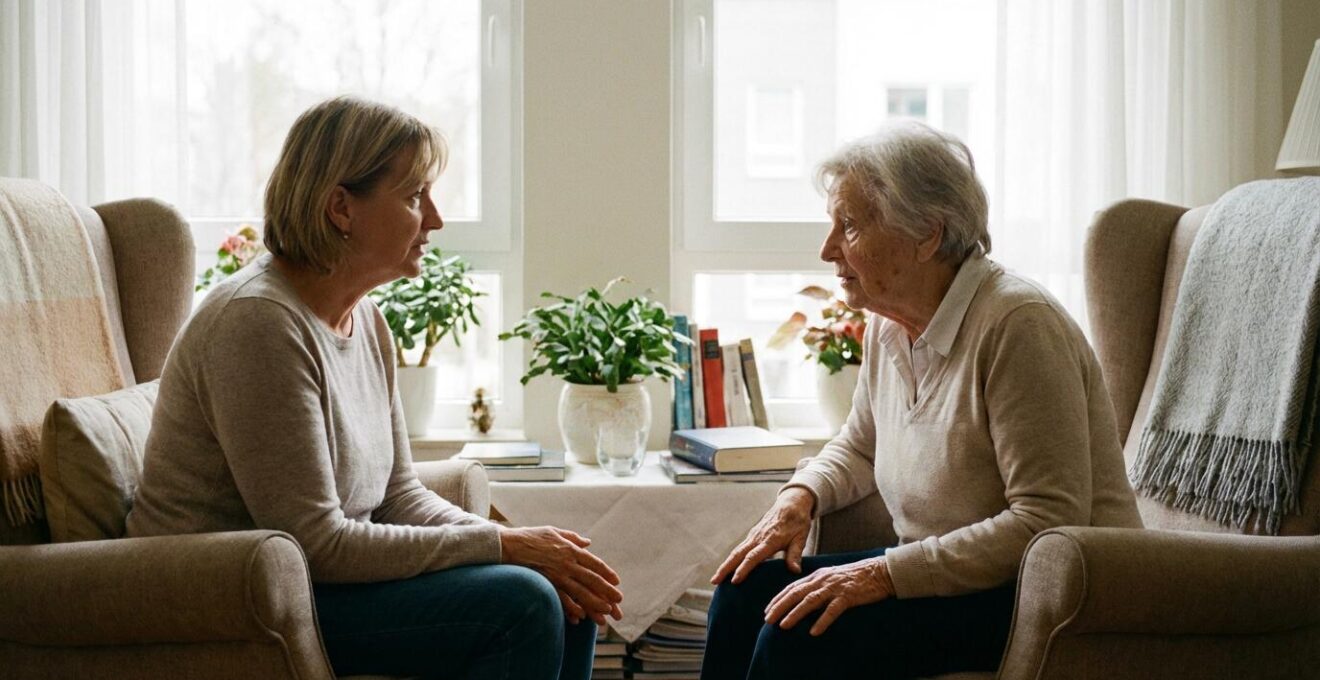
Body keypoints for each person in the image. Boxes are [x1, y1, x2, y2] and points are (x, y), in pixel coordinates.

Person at [126, 96, 623, 680]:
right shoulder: (257, 324)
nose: (434, 219)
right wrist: (503, 547)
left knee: (565, 594)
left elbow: (398, 495)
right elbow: (315, 541)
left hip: (314, 584)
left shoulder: (367, 321)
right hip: (234, 600)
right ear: (341, 207)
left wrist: (525, 546)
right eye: (415, 197)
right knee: (523, 605)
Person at [701, 122, 1143, 680]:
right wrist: (801, 496)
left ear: (927, 235)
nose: (827, 249)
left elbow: (1047, 520)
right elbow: (860, 447)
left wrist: (882, 575)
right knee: (744, 595)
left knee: (800, 637)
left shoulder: (1017, 326)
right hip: (944, 580)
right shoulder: (889, 330)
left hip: (1039, 599)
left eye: (851, 226)